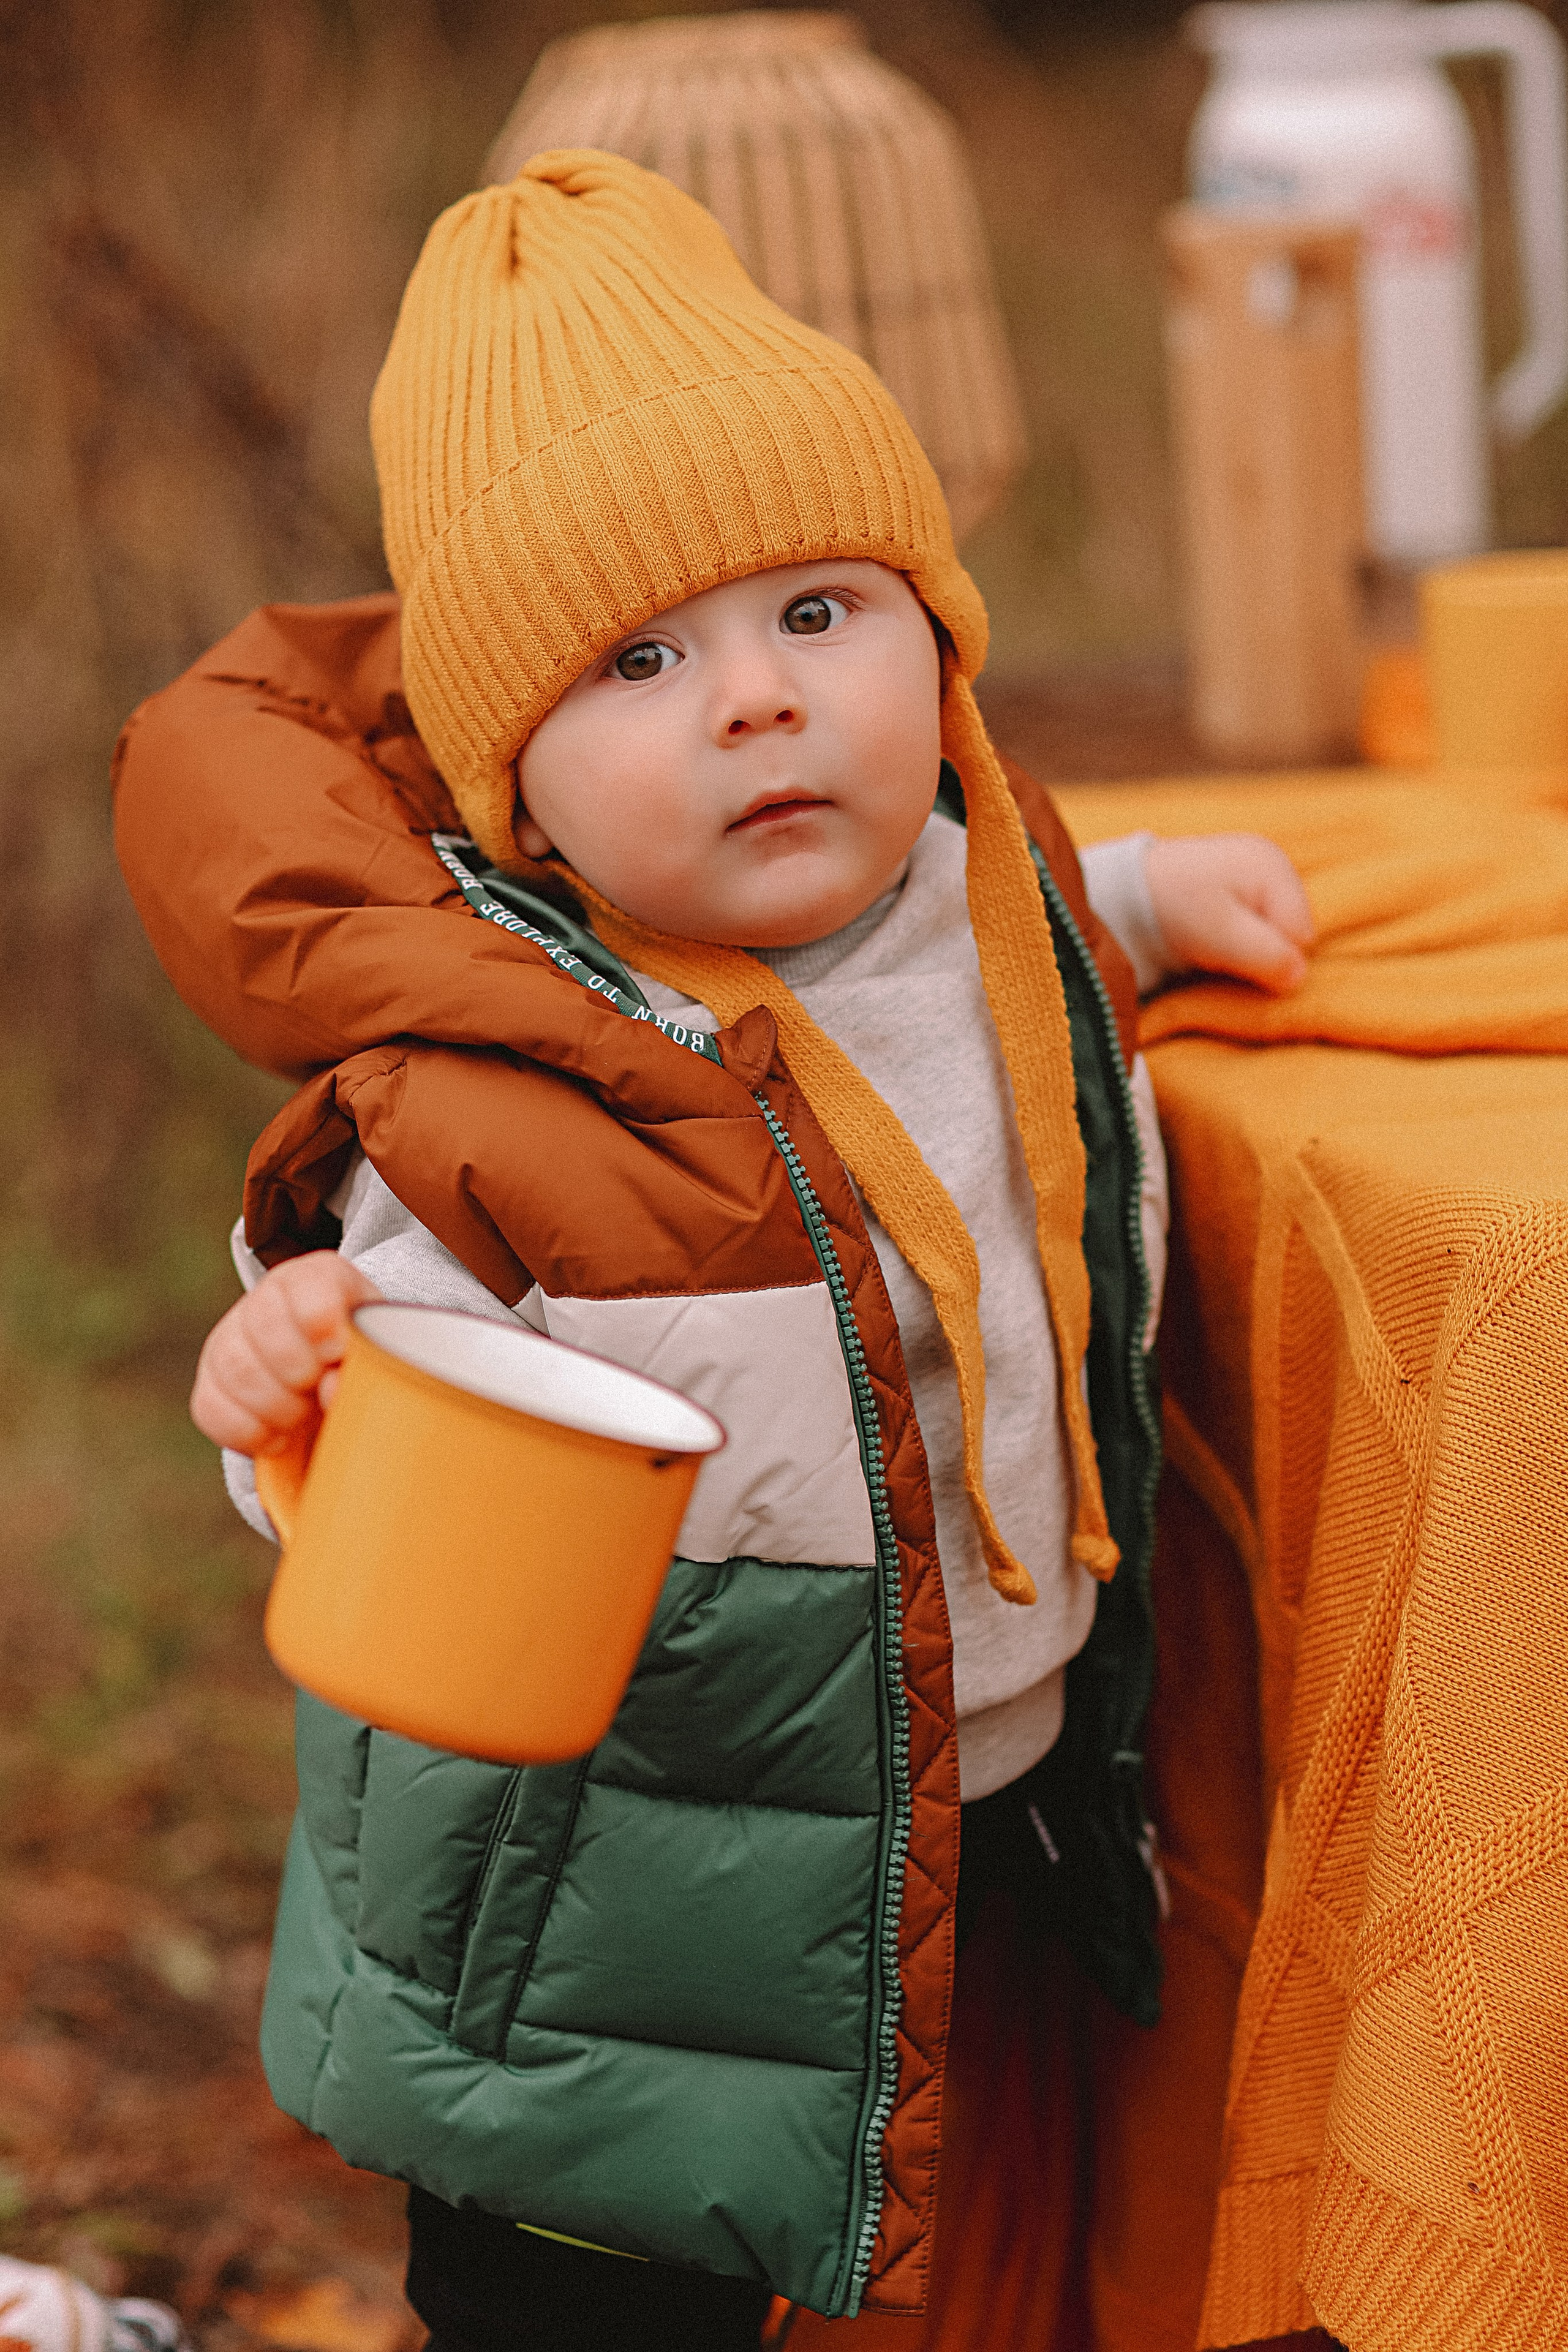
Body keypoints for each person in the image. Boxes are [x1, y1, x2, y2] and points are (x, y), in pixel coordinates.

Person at [115, 151, 1311, 2352]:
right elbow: (386, 1451)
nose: (758, 699)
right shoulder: (518, 1105)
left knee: (942, 2247)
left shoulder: (973, 882)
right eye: (642, 659)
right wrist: (292, 1383)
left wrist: (1142, 896)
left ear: (932, 650)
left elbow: (1001, 946)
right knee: (598, 2304)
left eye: (818, 614)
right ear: (522, 800)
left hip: (966, 1778)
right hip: (623, 1919)